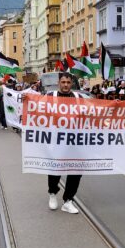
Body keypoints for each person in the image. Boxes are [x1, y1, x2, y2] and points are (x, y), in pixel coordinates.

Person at [46, 72, 85, 214]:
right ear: (59, 83)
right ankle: (52, 193)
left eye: (68, 83)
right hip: (56, 140)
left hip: (75, 140)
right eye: (63, 82)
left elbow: (92, 110)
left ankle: (68, 200)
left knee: (76, 169)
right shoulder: (50, 97)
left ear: (72, 84)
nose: (66, 85)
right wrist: (25, 99)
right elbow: (36, 108)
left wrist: (115, 105)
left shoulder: (78, 97)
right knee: (55, 168)